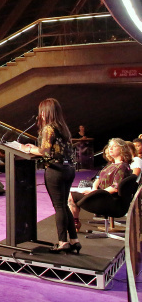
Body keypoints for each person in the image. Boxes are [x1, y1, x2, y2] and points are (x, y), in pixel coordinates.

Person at [21, 98, 80, 254]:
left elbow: (45, 152)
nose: (40, 114)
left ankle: (62, 242)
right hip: (68, 169)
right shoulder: (63, 127)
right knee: (64, 205)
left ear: (46, 112)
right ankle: (74, 240)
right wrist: (36, 148)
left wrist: (28, 149)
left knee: (59, 206)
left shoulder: (48, 128)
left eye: (41, 111)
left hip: (55, 170)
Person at [67, 138, 133, 236]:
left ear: (122, 149)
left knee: (71, 196)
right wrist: (94, 188)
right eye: (109, 146)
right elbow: (98, 178)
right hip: (102, 195)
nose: (110, 148)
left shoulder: (122, 167)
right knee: (73, 195)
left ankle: (75, 224)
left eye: (114, 146)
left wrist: (94, 193)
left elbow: (115, 188)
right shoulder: (111, 164)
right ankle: (74, 223)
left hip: (110, 201)